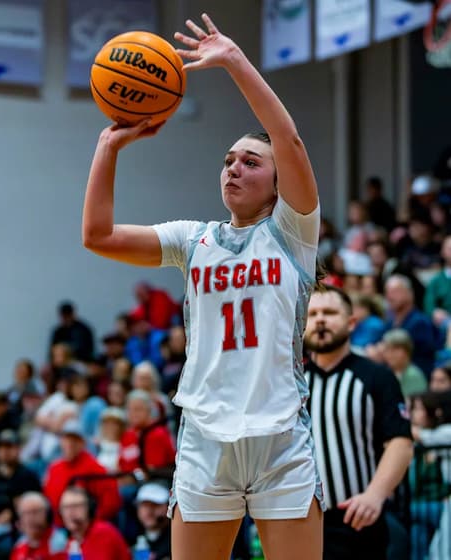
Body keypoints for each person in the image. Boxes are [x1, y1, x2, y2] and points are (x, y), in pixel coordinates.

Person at [81, 13, 322, 560]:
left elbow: (289, 139)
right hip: (205, 438)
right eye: (228, 160)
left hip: (280, 438)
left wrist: (234, 60)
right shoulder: (193, 239)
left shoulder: (292, 233)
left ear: (278, 181)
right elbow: (97, 235)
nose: (233, 168)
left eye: (251, 162)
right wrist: (109, 145)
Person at [304, 286, 413, 559]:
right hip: (301, 522)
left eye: (329, 313)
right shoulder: (291, 382)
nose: (320, 320)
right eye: (312, 314)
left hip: (357, 519)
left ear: (351, 323)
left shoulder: (376, 377)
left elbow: (400, 443)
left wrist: (375, 495)